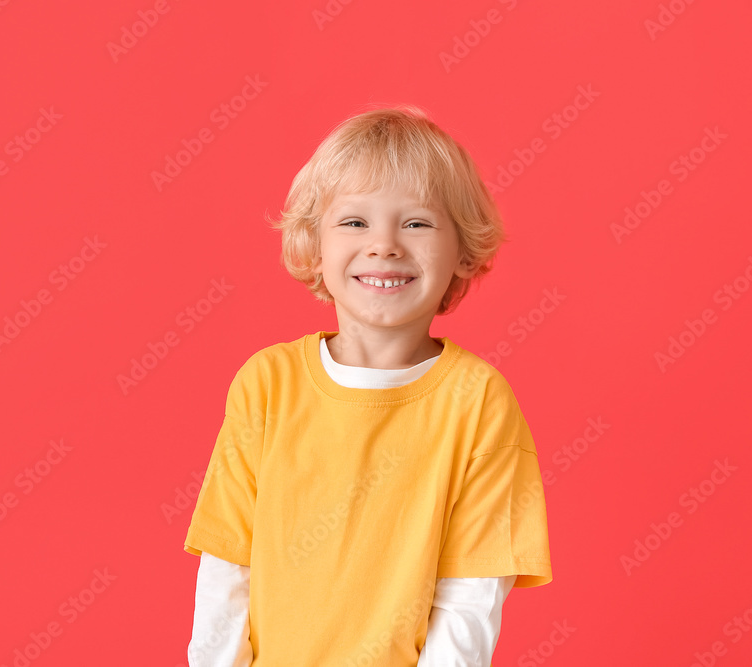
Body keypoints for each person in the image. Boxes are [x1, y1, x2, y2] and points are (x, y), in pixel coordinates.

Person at [183, 105, 553, 666]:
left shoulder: (478, 403)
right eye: (355, 222)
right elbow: (228, 566)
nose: (384, 245)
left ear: (462, 249)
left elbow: (471, 598)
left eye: (417, 222)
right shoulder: (266, 385)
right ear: (315, 243)